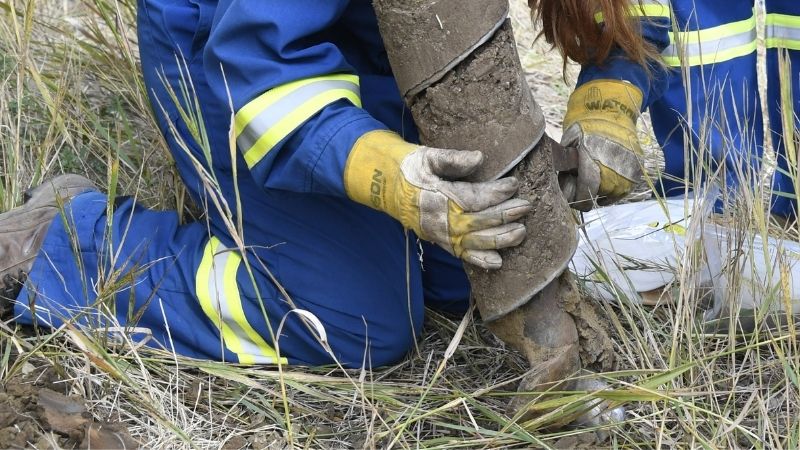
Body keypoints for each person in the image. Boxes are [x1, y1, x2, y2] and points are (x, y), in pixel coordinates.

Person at [0, 0, 655, 369]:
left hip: (382, 37)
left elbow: (636, 9)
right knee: (352, 325)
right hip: (239, 43)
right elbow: (259, 62)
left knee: (463, 280)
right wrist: (385, 175)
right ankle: (67, 241)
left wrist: (609, 100)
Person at [546, 0, 800, 218]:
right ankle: (709, 204)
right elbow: (639, 11)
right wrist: (609, 99)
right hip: (702, 202)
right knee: (700, 19)